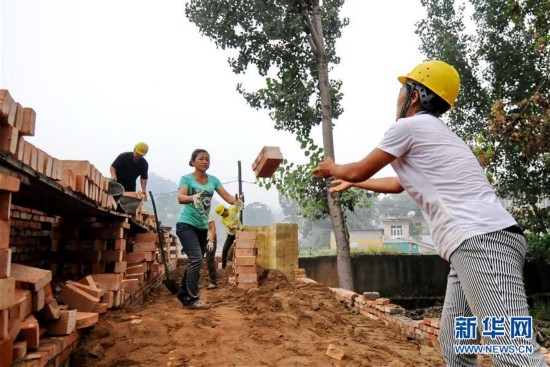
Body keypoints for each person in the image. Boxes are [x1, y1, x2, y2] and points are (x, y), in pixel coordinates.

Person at [311, 60, 546, 366]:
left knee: (512, 348)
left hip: (482, 241)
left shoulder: (408, 127)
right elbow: (398, 184)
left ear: (416, 95)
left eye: (402, 90)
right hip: (471, 245)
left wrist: (334, 168)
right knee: (455, 342)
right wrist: (356, 183)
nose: (397, 97)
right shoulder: (436, 134)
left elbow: (357, 167)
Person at [176, 148, 244, 310]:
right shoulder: (186, 179)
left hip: (201, 227)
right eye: (201, 158)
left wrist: (236, 201)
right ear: (193, 161)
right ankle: (193, 298)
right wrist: (192, 197)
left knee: (194, 260)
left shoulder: (213, 180)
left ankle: (183, 292)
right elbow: (180, 198)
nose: (205, 161)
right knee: (197, 260)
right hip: (186, 224)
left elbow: (227, 196)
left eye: (207, 159)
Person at [214, 204, 243, 269]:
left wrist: (239, 201)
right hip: (231, 234)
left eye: (222, 213)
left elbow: (240, 206)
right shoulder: (223, 220)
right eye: (220, 215)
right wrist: (235, 226)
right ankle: (224, 265)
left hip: (240, 232)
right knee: (225, 249)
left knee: (239, 248)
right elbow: (230, 227)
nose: (222, 215)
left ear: (225, 209)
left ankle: (240, 263)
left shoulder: (232, 209)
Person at [205, 213, 218, 290]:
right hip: (201, 239)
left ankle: (213, 282)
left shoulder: (207, 213)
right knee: (196, 260)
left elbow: (213, 227)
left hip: (210, 238)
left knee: (209, 259)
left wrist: (211, 241)